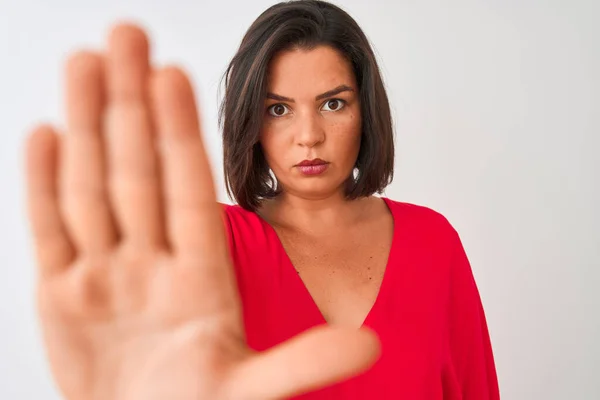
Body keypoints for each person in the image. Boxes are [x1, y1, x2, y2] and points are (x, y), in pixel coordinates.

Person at [24, 0, 500, 399]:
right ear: (249, 123)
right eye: (278, 110)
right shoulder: (203, 247)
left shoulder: (432, 242)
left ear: (366, 108)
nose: (309, 136)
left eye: (333, 103)